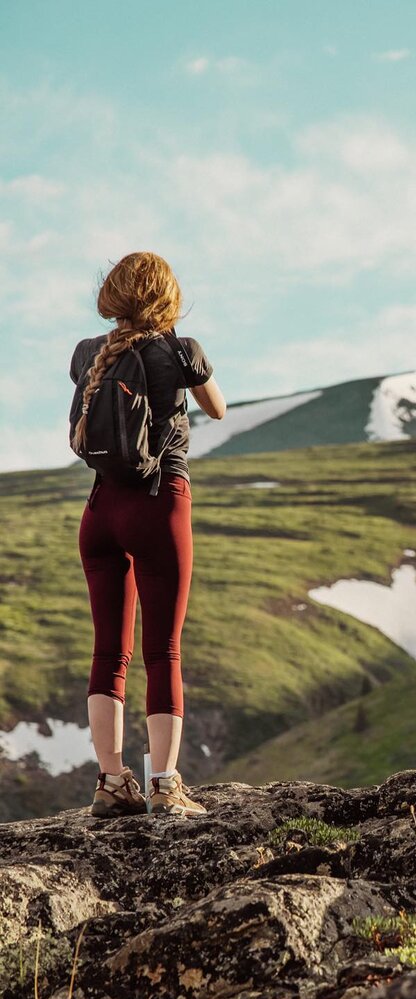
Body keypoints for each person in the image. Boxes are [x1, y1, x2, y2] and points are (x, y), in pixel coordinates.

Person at [70, 252, 226, 817]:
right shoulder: (180, 352)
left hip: (100, 511)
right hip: (159, 506)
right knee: (163, 650)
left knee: (109, 651)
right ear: (167, 298)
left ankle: (111, 782)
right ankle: (164, 784)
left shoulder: (87, 353)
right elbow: (219, 409)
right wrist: (189, 359)